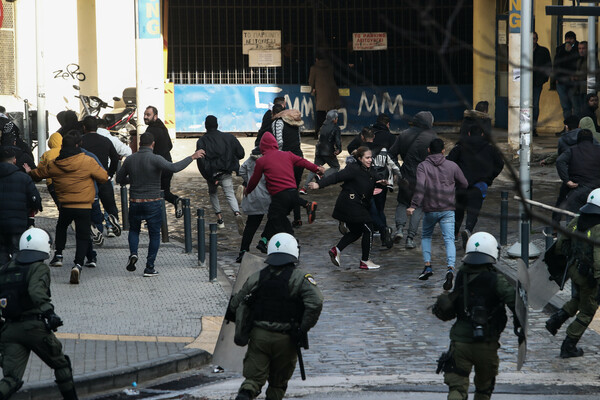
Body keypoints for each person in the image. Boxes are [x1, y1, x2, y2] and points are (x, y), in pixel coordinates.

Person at [226, 232, 323, 400]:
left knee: (252, 381)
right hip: (286, 339)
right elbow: (316, 302)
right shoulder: (300, 278)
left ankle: (245, 394)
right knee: (277, 385)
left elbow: (235, 305)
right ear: (294, 251)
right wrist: (303, 328)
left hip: (259, 337)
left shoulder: (257, 277)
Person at [432, 231, 522, 400]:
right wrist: (520, 324)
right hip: (486, 343)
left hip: (460, 342)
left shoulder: (461, 276)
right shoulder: (496, 279)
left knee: (457, 388)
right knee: (484, 390)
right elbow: (515, 301)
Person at [0, 227, 79, 399]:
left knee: (11, 378)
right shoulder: (38, 268)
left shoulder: (5, 269)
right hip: (34, 326)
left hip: (10, 329)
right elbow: (36, 292)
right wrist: (49, 313)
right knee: (61, 365)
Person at [116, 132, 205, 277]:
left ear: (140, 144)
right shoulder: (156, 159)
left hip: (135, 202)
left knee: (134, 231)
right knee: (154, 235)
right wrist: (192, 157)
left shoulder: (130, 160)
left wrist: (133, 179)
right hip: (153, 202)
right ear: (153, 144)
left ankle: (133, 254)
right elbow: (174, 167)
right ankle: (149, 267)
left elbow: (119, 179)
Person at [26, 131, 108, 285]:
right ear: (78, 146)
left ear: (62, 147)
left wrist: (28, 171)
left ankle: (58, 255)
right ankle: (77, 265)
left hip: (65, 205)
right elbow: (103, 177)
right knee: (83, 236)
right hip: (84, 206)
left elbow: (38, 174)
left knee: (61, 227)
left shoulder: (55, 164)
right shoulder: (87, 161)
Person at [309, 145, 384, 270]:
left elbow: (376, 178)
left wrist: (384, 182)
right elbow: (336, 177)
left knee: (356, 231)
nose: (370, 160)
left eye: (371, 158)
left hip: (356, 205)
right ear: (360, 158)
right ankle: (365, 261)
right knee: (368, 229)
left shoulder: (369, 170)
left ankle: (336, 250)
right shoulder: (353, 169)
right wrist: (319, 184)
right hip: (350, 205)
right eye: (367, 158)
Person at [544, 188, 600, 358]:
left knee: (577, 299)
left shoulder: (576, 220)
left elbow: (560, 245)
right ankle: (569, 345)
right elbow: (599, 258)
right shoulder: (598, 228)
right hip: (590, 277)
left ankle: (555, 321)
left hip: (575, 270)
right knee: (588, 310)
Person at [408, 138, 467, 290]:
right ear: (443, 151)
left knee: (426, 236)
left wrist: (413, 205)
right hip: (448, 209)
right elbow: (464, 183)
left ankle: (428, 266)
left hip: (430, 209)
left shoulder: (423, 166)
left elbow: (420, 187)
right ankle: (450, 269)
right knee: (449, 240)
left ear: (428, 150)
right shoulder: (452, 165)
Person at [245, 132, 322, 248]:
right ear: (275, 144)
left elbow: (254, 180)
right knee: (279, 218)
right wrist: (316, 169)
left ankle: (289, 244)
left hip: (279, 196)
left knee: (275, 218)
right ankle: (264, 241)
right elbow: (303, 162)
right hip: (293, 194)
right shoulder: (288, 155)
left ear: (262, 147)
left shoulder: (261, 161)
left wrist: (248, 191)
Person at [447, 122, 504, 250]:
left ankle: (454, 234)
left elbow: (449, 163)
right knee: (473, 210)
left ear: (468, 134)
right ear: (482, 134)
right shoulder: (490, 148)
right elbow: (500, 164)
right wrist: (489, 177)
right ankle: (468, 230)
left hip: (461, 184)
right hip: (480, 185)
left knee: (459, 210)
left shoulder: (460, 147)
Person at [388, 111, 438, 248]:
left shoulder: (403, 134)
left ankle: (399, 229)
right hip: (424, 178)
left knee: (402, 203)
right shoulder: (432, 136)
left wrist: (397, 170)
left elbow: (390, 155)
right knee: (418, 207)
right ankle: (410, 238)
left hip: (405, 175)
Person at [196, 115, 245, 232]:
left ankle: (220, 220)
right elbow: (241, 153)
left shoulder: (202, 141)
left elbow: (201, 162)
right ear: (217, 125)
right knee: (230, 194)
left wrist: (210, 177)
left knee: (213, 193)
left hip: (211, 174)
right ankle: (237, 213)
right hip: (226, 172)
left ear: (205, 126)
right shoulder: (228, 137)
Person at [81, 116, 122, 238]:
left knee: (91, 205)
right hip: (103, 176)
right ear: (97, 127)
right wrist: (110, 173)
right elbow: (115, 158)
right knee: (109, 203)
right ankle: (111, 225)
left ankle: (95, 227)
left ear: (84, 127)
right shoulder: (105, 140)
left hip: (87, 178)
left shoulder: (81, 141)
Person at [0, 146, 42, 264]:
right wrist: (36, 207)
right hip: (17, 223)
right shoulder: (23, 178)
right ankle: (14, 275)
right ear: (14, 160)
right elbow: (35, 199)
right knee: (16, 251)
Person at [271, 103, 310, 228]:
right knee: (294, 188)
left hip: (287, 160)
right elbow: (298, 140)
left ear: (274, 114)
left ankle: (285, 213)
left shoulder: (277, 123)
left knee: (284, 188)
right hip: (299, 157)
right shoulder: (294, 121)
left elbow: (279, 143)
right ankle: (297, 218)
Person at [143, 105, 183, 218]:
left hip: (157, 168)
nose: (145, 117)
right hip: (168, 166)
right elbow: (170, 145)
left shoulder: (151, 130)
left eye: (148, 115)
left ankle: (154, 217)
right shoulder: (162, 127)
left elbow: (147, 150)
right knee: (164, 192)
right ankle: (176, 200)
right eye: (145, 114)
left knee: (152, 193)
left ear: (155, 116)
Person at [237, 147, 270, 263]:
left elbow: (241, 171)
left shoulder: (250, 161)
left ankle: (243, 251)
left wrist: (248, 180)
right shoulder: (267, 161)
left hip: (252, 196)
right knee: (275, 219)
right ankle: (264, 240)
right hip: (266, 196)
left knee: (251, 226)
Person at [556, 129, 600, 216]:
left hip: (577, 188)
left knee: (573, 218)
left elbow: (559, 161)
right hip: (596, 190)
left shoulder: (572, 150)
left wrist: (567, 180)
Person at [300, 109, 342, 194]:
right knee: (335, 167)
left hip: (319, 151)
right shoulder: (336, 128)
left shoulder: (322, 126)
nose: (337, 119)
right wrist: (339, 149)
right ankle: (322, 176)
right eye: (337, 118)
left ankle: (304, 188)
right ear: (334, 119)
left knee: (314, 168)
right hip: (328, 152)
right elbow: (338, 141)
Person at [308, 50, 341, 138]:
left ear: (316, 59)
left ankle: (318, 132)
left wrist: (312, 89)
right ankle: (332, 132)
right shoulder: (330, 67)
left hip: (321, 93)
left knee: (320, 114)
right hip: (332, 93)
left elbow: (311, 81)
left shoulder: (314, 68)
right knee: (331, 113)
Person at [553, 31, 581, 120]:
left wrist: (570, 51)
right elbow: (556, 63)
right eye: (567, 39)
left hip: (573, 82)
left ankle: (576, 127)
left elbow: (576, 62)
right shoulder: (560, 48)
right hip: (561, 81)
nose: (569, 41)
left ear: (574, 39)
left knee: (575, 105)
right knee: (565, 106)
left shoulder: (579, 48)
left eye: (571, 39)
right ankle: (567, 127)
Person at [532, 32, 552, 136]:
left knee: (535, 105)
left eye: (534, 38)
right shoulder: (523, 50)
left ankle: (533, 128)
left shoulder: (543, 51)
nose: (532, 41)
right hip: (524, 83)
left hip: (537, 82)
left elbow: (548, 66)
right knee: (523, 105)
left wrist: (544, 79)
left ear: (537, 39)